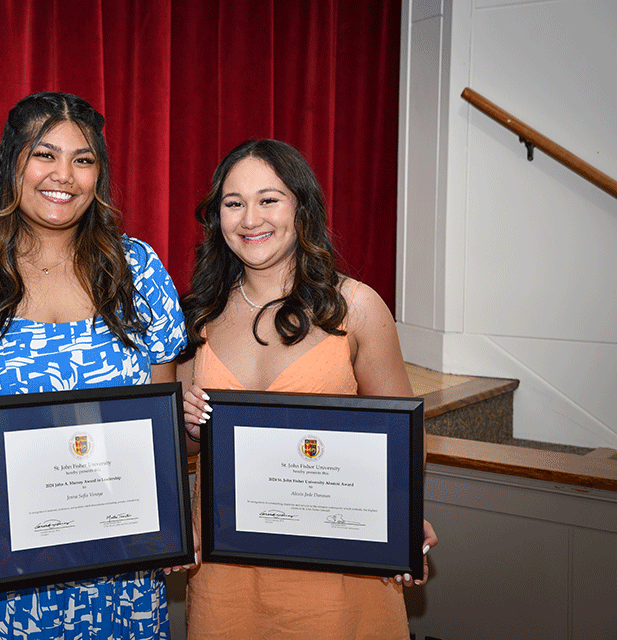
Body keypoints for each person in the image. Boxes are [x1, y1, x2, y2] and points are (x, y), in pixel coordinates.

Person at [0, 92, 187, 639]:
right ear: (12, 163)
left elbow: (156, 416)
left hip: (109, 547)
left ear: (99, 175)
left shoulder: (138, 270)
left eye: (83, 159)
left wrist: (167, 525)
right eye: (45, 155)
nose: (63, 175)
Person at [177, 139, 438, 639]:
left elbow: (407, 442)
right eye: (234, 203)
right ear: (218, 217)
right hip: (228, 574)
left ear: (302, 207)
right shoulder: (198, 314)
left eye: (269, 199)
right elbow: (189, 444)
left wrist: (399, 523)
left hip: (337, 575)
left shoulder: (356, 307)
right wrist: (188, 424)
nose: (250, 218)